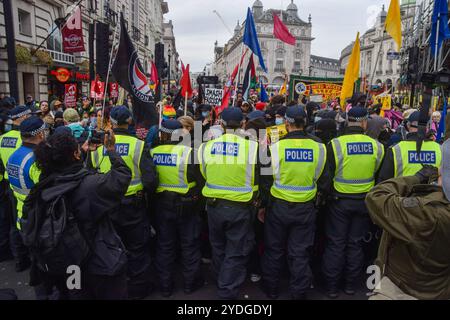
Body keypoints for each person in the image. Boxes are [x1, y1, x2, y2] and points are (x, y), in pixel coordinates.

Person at [25, 130, 132, 299]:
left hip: (70, 266)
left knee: (77, 294)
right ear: (74, 155)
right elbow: (121, 177)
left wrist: (79, 153)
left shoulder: (44, 185)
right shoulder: (89, 186)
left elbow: (66, 169)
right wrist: (111, 150)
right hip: (100, 263)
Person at [260, 106, 330, 300]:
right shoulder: (319, 147)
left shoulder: (275, 147)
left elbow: (266, 181)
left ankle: (271, 289)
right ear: (305, 122)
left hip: (278, 206)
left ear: (287, 123)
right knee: (300, 252)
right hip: (306, 207)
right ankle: (298, 292)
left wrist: (262, 206)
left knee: (274, 249)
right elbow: (324, 180)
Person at [89, 105, 158, 299]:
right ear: (129, 121)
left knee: (109, 247)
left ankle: (114, 287)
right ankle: (137, 289)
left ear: (110, 121)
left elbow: (90, 172)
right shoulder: (139, 144)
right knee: (137, 248)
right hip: (132, 207)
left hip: (104, 205)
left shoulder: (99, 145)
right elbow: (150, 180)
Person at [365, 142, 450, 300]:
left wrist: (417, 178)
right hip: (438, 289)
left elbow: (376, 197)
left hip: (403, 289)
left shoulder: (429, 213)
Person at [321, 106, 385, 298]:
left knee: (336, 244)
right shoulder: (378, 146)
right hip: (364, 202)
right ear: (365, 122)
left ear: (348, 120)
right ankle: (350, 285)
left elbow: (327, 174)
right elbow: (379, 173)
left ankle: (331, 287)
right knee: (355, 245)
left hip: (339, 201)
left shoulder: (335, 144)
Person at [198, 107, 259, 299]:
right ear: (242, 124)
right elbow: (259, 178)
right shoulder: (254, 147)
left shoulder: (206, 146)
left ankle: (221, 280)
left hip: (214, 206)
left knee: (218, 247)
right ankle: (226, 292)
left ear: (221, 124)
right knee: (235, 251)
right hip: (240, 207)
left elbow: (203, 173)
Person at [151, 120, 204, 297]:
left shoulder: (153, 152)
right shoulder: (190, 153)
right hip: (187, 204)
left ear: (162, 134)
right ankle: (190, 284)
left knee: (165, 246)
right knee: (189, 245)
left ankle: (165, 286)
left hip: (162, 205)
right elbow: (202, 180)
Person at [0, 105, 33, 271]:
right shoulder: (25, 139)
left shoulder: (2, 138)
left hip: (8, 183)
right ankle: (25, 256)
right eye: (28, 116)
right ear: (22, 117)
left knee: (12, 222)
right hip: (24, 184)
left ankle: (18, 259)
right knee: (24, 220)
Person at [378, 111, 442, 183]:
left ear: (408, 126)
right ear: (428, 126)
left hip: (401, 193)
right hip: (432, 193)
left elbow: (383, 182)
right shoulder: (440, 149)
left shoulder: (396, 149)